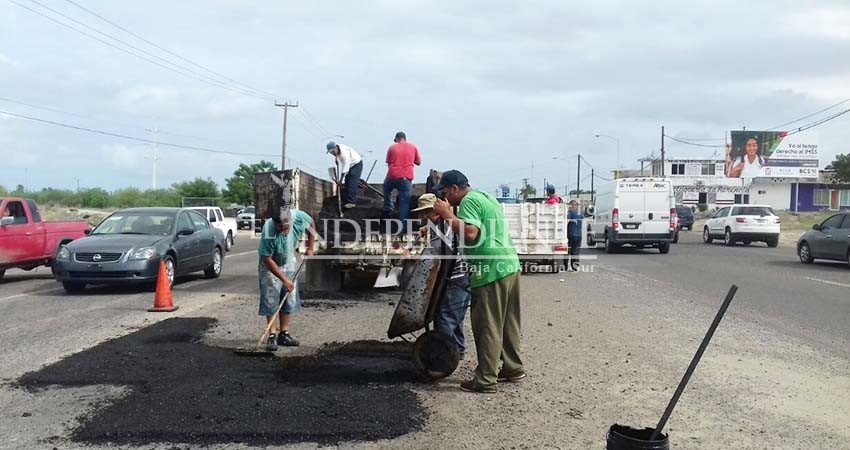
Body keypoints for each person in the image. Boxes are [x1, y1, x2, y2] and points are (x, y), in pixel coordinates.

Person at [433, 170, 524, 394]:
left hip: (490, 269)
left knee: (487, 324)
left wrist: (446, 215)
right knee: (507, 322)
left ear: (455, 188)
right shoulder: (486, 197)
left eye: (445, 192)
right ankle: (513, 368)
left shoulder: (468, 201)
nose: (445, 197)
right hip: (508, 265)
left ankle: (485, 380)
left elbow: (471, 233)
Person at [412, 193, 471, 360]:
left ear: (436, 212)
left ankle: (442, 358)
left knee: (445, 318)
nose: (423, 217)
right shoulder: (440, 226)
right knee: (455, 317)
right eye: (421, 213)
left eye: (427, 212)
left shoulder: (445, 228)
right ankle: (457, 351)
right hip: (461, 277)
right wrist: (425, 229)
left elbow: (436, 257)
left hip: (456, 279)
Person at [257, 208, 315, 351]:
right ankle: (272, 336)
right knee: (271, 298)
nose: (284, 230)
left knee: (288, 298)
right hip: (270, 265)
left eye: (286, 227)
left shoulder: (299, 217)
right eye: (280, 228)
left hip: (288, 261)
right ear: (275, 224)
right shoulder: (268, 231)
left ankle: (284, 333)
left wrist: (310, 247)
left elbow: (312, 224)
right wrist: (284, 279)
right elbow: (267, 259)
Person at [384, 131, 421, 230]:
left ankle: (388, 208)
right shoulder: (413, 147)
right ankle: (403, 228)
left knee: (386, 188)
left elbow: (388, 162)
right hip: (406, 178)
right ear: (405, 138)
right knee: (404, 203)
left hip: (392, 176)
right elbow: (418, 162)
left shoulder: (392, 147)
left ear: (396, 139)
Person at [326, 141, 363, 209]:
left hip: (356, 164)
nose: (332, 153)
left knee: (351, 180)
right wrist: (336, 158)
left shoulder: (344, 154)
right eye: (331, 153)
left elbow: (345, 168)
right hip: (350, 165)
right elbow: (337, 155)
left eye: (332, 152)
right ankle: (346, 200)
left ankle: (351, 202)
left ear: (336, 148)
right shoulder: (338, 149)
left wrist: (340, 180)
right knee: (347, 181)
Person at [567, 200, 583, 271]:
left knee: (567, 251)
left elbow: (567, 219)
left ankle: (565, 266)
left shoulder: (570, 212)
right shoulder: (580, 213)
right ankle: (575, 266)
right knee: (576, 251)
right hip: (578, 235)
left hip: (570, 234)